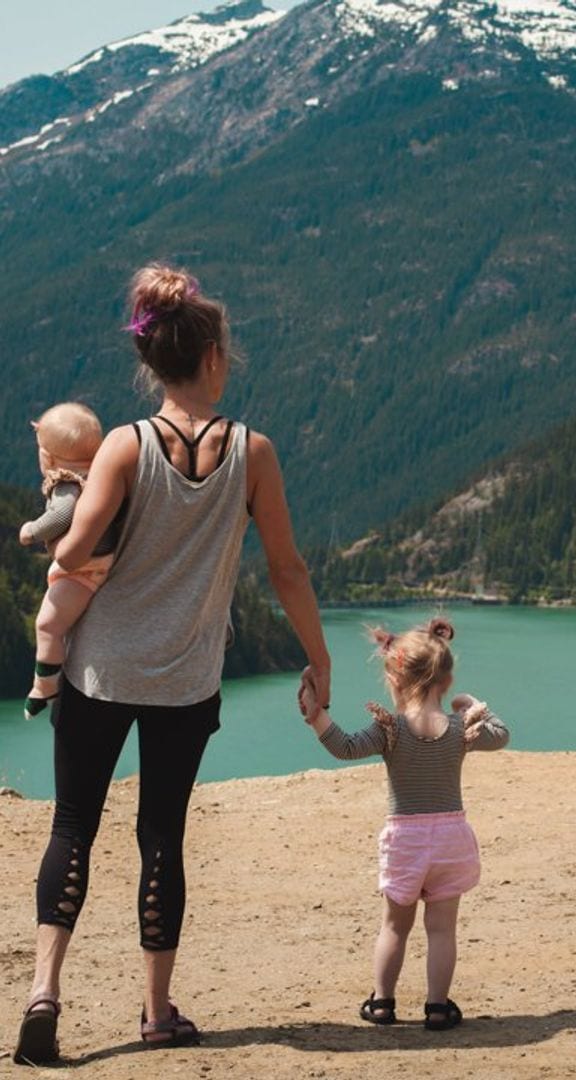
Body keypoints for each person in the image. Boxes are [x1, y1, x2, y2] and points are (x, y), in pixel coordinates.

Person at [13, 263, 332, 1066]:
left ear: (152, 362)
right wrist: (319, 657)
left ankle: (44, 993)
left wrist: (65, 540)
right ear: (216, 356)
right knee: (162, 836)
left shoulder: (124, 445)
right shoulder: (253, 453)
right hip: (186, 682)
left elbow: (79, 546)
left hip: (100, 674)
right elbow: (287, 570)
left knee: (74, 826)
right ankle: (157, 1014)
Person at [299, 617, 508, 1031]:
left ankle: (382, 1003)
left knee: (394, 926)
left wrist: (316, 716)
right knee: (442, 929)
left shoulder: (390, 730)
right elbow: (501, 735)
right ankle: (437, 1006)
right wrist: (473, 705)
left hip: (406, 842)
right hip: (451, 839)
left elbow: (344, 747)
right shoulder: (459, 728)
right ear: (445, 682)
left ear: (394, 679)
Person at [19, 403, 118, 720]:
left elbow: (61, 516)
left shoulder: (67, 484)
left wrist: (31, 531)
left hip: (84, 570)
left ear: (46, 457)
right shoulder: (104, 474)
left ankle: (44, 685)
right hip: (107, 560)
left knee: (48, 624)